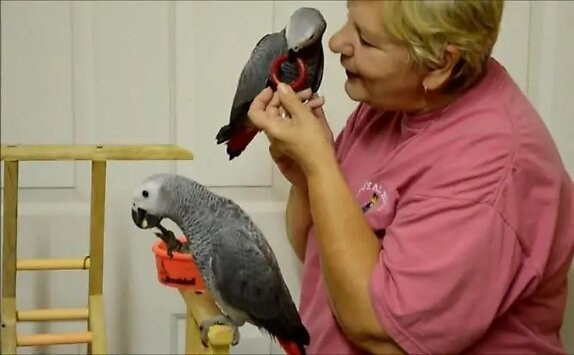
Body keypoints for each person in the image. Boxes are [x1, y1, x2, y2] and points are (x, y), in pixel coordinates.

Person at [248, 0, 574, 354]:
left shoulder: (491, 164)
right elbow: (317, 251)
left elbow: (377, 329)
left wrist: (320, 165)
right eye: (349, 21)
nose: (336, 42)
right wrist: (308, 177)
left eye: (367, 40)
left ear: (439, 63)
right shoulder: (390, 103)